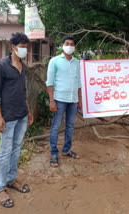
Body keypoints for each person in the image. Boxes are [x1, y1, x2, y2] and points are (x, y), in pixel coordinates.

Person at [0, 32, 33, 208]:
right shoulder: (1, 65)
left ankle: (11, 179)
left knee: (16, 149)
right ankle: (0, 188)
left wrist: (29, 111)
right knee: (4, 152)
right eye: (22, 47)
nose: (25, 50)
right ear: (13, 47)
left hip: (22, 115)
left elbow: (23, 91)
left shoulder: (22, 65)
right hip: (7, 117)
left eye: (26, 47)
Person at [46, 36, 82, 168]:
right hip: (59, 99)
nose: (70, 46)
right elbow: (50, 82)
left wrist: (79, 100)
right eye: (67, 44)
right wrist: (51, 101)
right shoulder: (54, 61)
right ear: (62, 45)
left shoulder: (76, 62)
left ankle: (66, 150)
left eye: (72, 44)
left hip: (73, 100)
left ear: (75, 47)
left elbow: (78, 82)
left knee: (70, 126)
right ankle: (54, 154)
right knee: (56, 126)